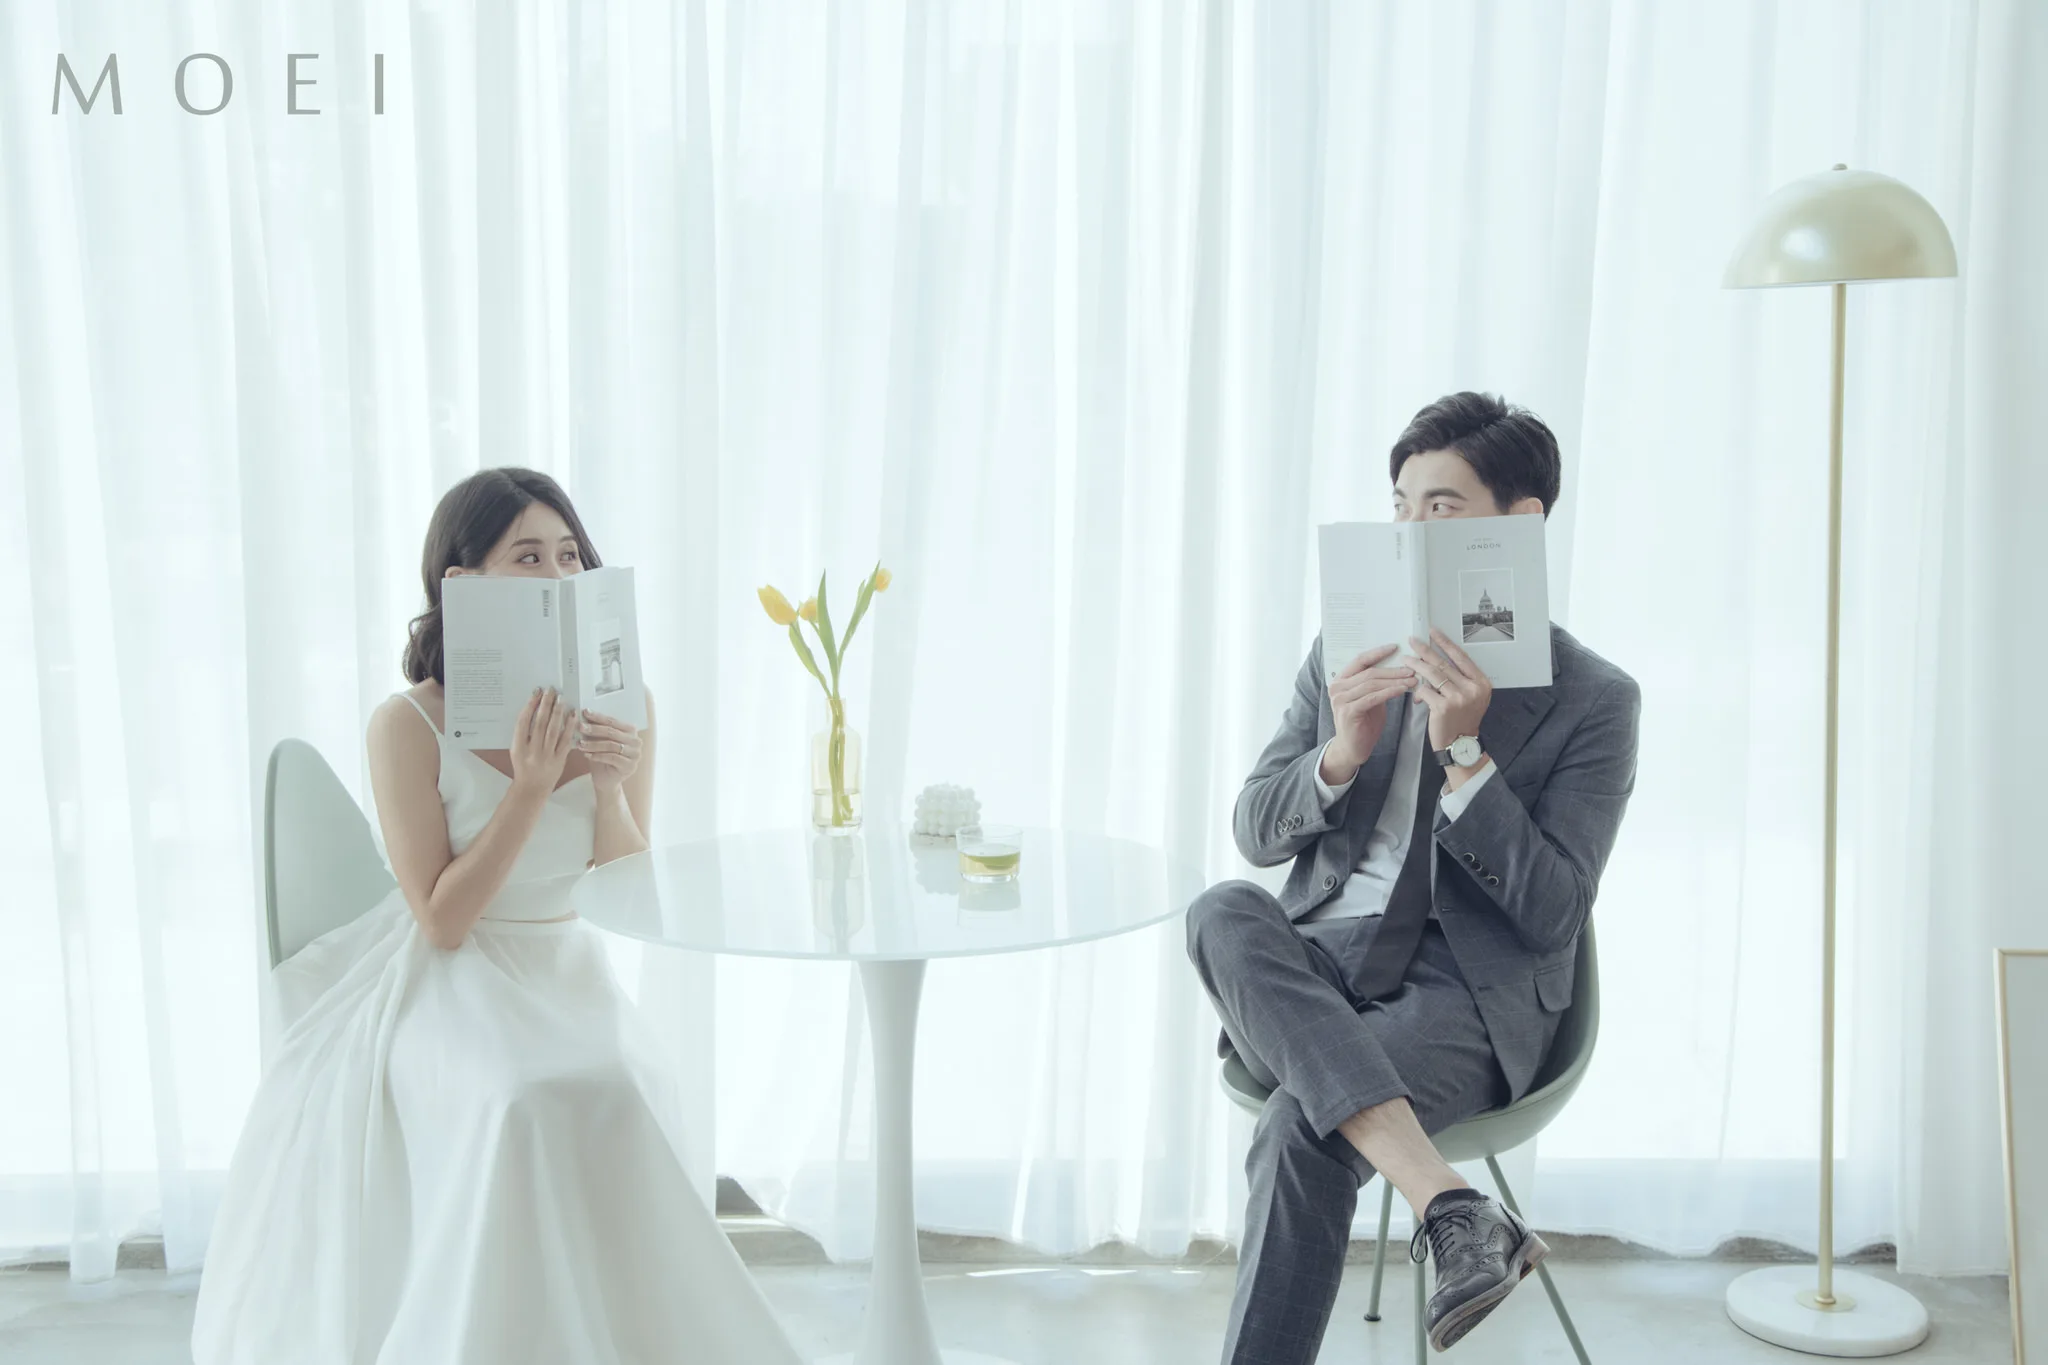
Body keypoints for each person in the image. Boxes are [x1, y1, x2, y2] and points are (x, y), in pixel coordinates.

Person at [193, 468, 803, 1365]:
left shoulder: (628, 704)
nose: (557, 574)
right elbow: (441, 919)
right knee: (519, 1098)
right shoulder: (405, 724)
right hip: (449, 974)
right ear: (462, 582)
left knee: (631, 1081)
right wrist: (527, 786)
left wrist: (607, 784)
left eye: (569, 555)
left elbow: (626, 891)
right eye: (528, 557)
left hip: (567, 966)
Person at [1186, 393, 1640, 1360]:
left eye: (1441, 508)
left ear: (1519, 525)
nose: (1410, 529)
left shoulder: (1594, 699)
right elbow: (1254, 831)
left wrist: (1466, 756)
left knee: (1301, 1129)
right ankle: (1451, 1203)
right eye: (1400, 507)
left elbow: (1555, 913)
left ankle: (1447, 1213)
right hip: (1316, 963)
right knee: (1221, 908)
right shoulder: (1347, 648)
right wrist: (1340, 753)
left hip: (1465, 990)